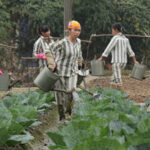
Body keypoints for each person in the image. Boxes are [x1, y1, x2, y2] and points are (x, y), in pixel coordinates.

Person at [45, 20, 83, 121]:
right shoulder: (63, 42)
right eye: (75, 30)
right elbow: (48, 50)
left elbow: (79, 54)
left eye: (79, 30)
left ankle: (68, 114)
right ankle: (61, 116)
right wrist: (51, 63)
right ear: (69, 31)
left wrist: (80, 62)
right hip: (61, 72)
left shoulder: (79, 42)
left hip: (73, 72)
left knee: (70, 93)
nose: (77, 32)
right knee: (60, 96)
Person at [98, 23, 138, 90]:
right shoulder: (125, 39)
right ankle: (111, 92)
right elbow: (130, 51)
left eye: (112, 30)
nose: (112, 32)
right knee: (113, 78)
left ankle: (123, 95)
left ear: (116, 30)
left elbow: (108, 48)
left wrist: (101, 57)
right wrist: (135, 61)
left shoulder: (115, 38)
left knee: (118, 79)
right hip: (123, 63)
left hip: (116, 62)